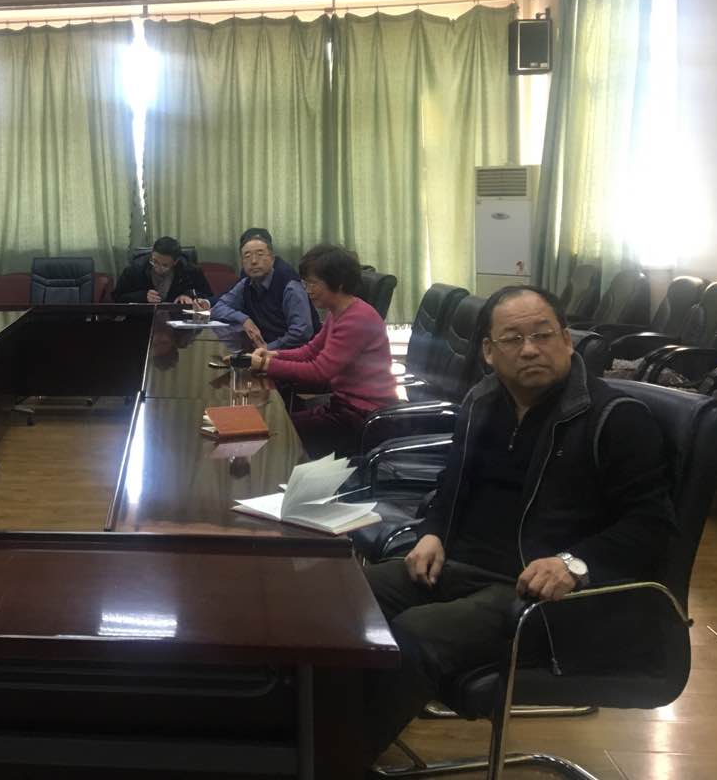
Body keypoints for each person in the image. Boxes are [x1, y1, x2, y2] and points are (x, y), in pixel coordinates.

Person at [359, 285, 675, 764]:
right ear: (489, 352)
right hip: (460, 567)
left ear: (566, 340)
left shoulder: (616, 419)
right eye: (513, 339)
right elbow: (453, 483)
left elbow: (652, 526)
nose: (530, 349)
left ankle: (339, 759)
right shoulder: (484, 401)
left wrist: (573, 563)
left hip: (537, 595)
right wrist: (434, 530)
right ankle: (303, 736)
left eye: (543, 335)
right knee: (346, 597)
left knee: (415, 632)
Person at [246, 243, 395, 456]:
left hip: (364, 415)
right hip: (343, 405)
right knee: (276, 422)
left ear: (338, 283)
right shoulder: (339, 312)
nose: (308, 291)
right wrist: (273, 354)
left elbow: (319, 371)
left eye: (313, 284)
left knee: (278, 430)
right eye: (306, 283)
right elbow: (310, 351)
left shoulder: (357, 319)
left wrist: (266, 365)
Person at [211, 228, 314, 349]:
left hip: (296, 353)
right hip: (264, 350)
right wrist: (244, 319)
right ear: (242, 263)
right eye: (247, 256)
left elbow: (301, 333)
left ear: (272, 259)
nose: (254, 261)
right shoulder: (245, 284)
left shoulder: (289, 286)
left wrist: (268, 349)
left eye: (260, 255)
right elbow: (218, 308)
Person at [112, 236, 213, 306]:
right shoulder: (135, 270)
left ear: (175, 262)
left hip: (179, 319)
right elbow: (116, 298)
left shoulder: (190, 270)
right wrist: (142, 296)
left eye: (165, 265)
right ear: (152, 254)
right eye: (154, 261)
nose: (158, 267)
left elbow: (210, 297)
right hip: (144, 320)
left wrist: (189, 295)